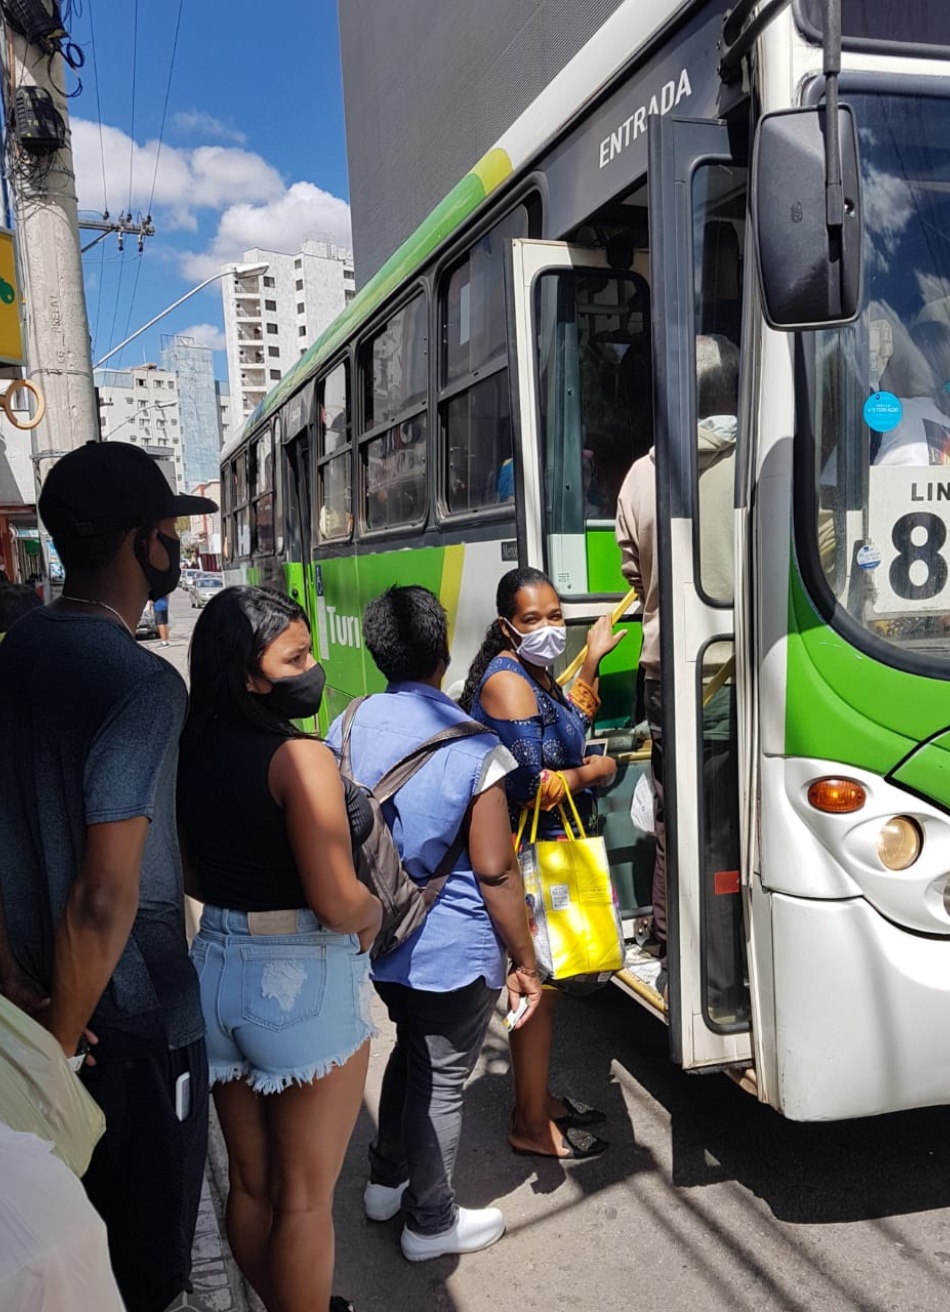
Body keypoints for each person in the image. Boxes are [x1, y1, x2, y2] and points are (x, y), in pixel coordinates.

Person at [0, 440, 217, 1312]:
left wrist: (17, 982)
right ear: (142, 541)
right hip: (123, 1031)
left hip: (27, 1011)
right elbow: (104, 894)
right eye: (167, 529)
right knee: (142, 1270)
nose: (171, 548)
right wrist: (61, 1042)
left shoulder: (13, 651)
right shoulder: (141, 685)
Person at [177, 586, 380, 1312]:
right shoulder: (301, 760)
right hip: (300, 979)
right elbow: (336, 898)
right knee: (302, 1201)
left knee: (255, 1186)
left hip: (216, 970)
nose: (313, 667)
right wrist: (374, 909)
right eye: (295, 656)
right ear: (249, 673)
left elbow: (190, 870)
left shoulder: (190, 749)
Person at [325, 585, 542, 1261]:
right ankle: (430, 1220)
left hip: (377, 937)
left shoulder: (347, 724)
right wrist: (524, 961)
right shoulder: (475, 748)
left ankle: (385, 1181)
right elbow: (497, 873)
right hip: (449, 946)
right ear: (444, 651)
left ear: (376, 651)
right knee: (442, 1079)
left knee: (412, 1052)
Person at [460, 566, 624, 1159]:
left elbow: (570, 729)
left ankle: (538, 1100)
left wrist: (592, 660)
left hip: (549, 847)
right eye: (534, 619)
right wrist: (596, 773)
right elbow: (532, 784)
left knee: (546, 990)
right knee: (534, 991)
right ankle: (529, 1123)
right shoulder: (510, 682)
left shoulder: (537, 673)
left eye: (556, 616)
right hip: (529, 853)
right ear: (508, 627)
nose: (550, 627)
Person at [615, 334, 740, 992]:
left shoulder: (643, 476)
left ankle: (690, 963)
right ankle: (731, 970)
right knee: (739, 827)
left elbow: (634, 573)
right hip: (758, 673)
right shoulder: (767, 460)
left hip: (675, 679)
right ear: (727, 392)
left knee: (687, 823)